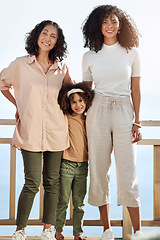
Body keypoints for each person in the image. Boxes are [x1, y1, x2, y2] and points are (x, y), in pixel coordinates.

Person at [0, 20, 72, 240]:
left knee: (52, 182)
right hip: (30, 131)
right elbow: (2, 84)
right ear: (37, 36)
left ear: (57, 42)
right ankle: (20, 230)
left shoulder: (62, 68)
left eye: (53, 36)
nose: (48, 38)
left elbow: (73, 92)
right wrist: (18, 105)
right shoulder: (21, 64)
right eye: (45, 33)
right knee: (31, 182)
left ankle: (47, 229)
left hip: (57, 131)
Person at [82, 5, 142, 240]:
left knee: (129, 170)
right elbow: (85, 93)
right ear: (98, 25)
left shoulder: (132, 52)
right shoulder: (89, 55)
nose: (110, 25)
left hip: (124, 110)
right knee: (98, 169)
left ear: (120, 24)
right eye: (105, 21)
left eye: (114, 21)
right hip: (96, 111)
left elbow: (135, 89)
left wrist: (137, 122)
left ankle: (137, 231)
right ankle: (107, 229)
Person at [55, 82, 94, 240]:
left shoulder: (89, 119)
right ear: (68, 103)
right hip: (66, 165)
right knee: (63, 200)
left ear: (86, 101)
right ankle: (58, 231)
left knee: (79, 203)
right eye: (74, 102)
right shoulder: (65, 117)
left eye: (81, 101)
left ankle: (78, 234)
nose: (78, 105)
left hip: (83, 166)